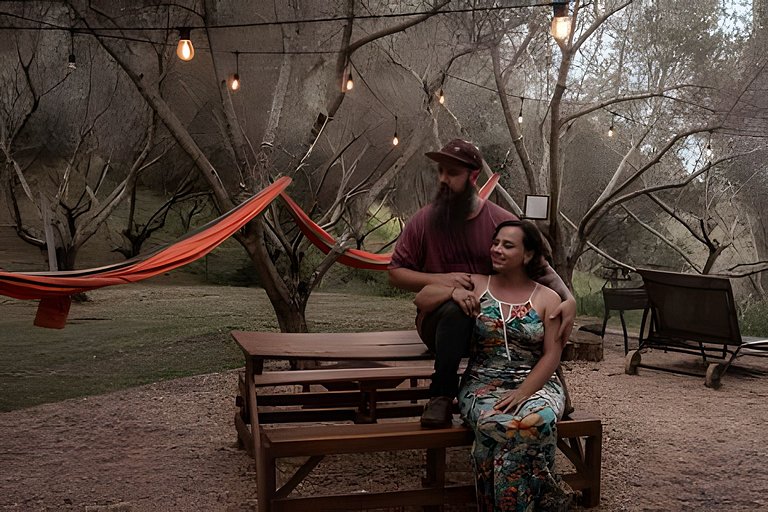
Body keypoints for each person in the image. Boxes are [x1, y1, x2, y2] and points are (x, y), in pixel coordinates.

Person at [388, 138, 575, 428]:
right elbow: (396, 272)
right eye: (440, 171)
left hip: (489, 325)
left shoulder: (500, 223)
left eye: (452, 173)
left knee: (533, 320)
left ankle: (546, 390)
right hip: (438, 323)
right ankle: (440, 396)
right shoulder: (423, 221)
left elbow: (541, 270)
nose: (443, 180)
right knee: (456, 309)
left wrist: (569, 299)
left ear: (474, 176)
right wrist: (444, 282)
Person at [414, 219, 569, 511]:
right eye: (495, 243)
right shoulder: (476, 282)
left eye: (507, 245)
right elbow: (421, 298)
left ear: (527, 255)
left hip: (536, 384)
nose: (496, 249)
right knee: (497, 423)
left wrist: (524, 393)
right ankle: (545, 500)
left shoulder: (548, 298)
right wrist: (452, 292)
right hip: (482, 382)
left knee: (534, 422)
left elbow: (551, 355)